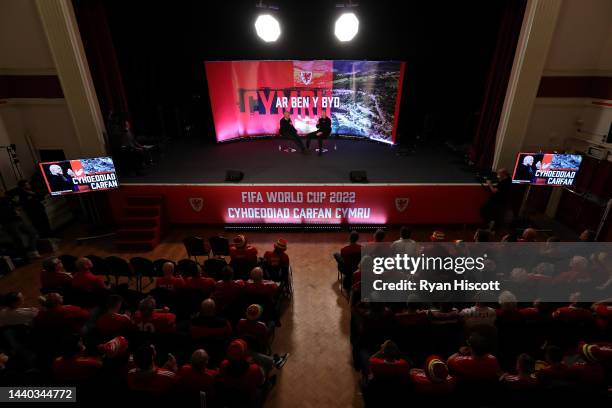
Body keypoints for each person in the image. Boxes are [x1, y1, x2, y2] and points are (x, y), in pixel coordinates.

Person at [0, 188, 40, 260]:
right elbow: (3, 214)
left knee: (32, 233)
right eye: (1, 191)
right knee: (18, 240)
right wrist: (14, 213)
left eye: (2, 191)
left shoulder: (7, 199)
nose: (3, 192)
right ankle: (25, 258)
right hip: (9, 223)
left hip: (18, 221)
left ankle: (32, 251)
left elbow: (17, 203)